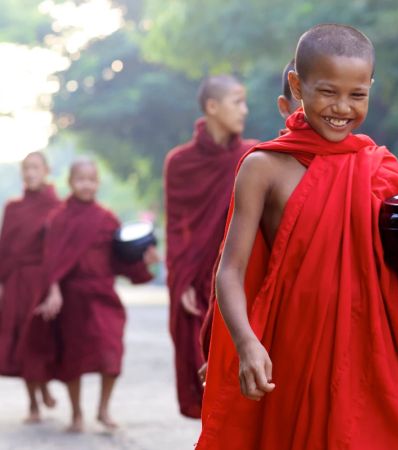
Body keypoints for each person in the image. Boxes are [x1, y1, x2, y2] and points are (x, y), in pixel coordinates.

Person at [197, 24, 398, 449]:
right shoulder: (263, 167)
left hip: (370, 361)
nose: (342, 108)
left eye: (357, 95)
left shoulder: (378, 169)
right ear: (297, 86)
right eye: (327, 92)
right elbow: (230, 271)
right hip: (292, 358)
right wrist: (246, 344)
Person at [197, 61, 303, 385]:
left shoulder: (262, 156)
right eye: (237, 102)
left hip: (253, 277)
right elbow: (183, 230)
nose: (244, 110)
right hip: (217, 270)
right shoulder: (263, 163)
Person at [35, 159, 159, 432]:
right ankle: (77, 414)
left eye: (91, 180)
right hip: (72, 299)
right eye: (81, 180)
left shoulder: (106, 218)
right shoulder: (59, 218)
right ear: (70, 182)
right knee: (73, 359)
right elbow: (51, 259)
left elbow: (121, 260)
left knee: (111, 352)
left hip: (103, 295)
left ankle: (103, 409)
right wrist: (53, 290)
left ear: (98, 183)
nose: (86, 185)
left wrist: (145, 262)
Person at [163, 74, 258, 418]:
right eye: (237, 102)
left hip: (242, 274)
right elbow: (177, 225)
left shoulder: (254, 156)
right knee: (203, 369)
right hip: (197, 278)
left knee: (246, 370)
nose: (244, 110)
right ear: (212, 107)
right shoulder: (179, 162)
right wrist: (183, 278)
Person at [0, 151, 61, 423]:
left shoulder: (57, 206)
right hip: (16, 282)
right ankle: (33, 402)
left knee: (39, 337)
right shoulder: (13, 207)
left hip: (43, 280)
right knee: (20, 338)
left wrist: (54, 286)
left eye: (35, 167)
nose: (30, 173)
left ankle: (44, 385)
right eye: (25, 168)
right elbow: (5, 247)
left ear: (46, 171)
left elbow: (59, 250)